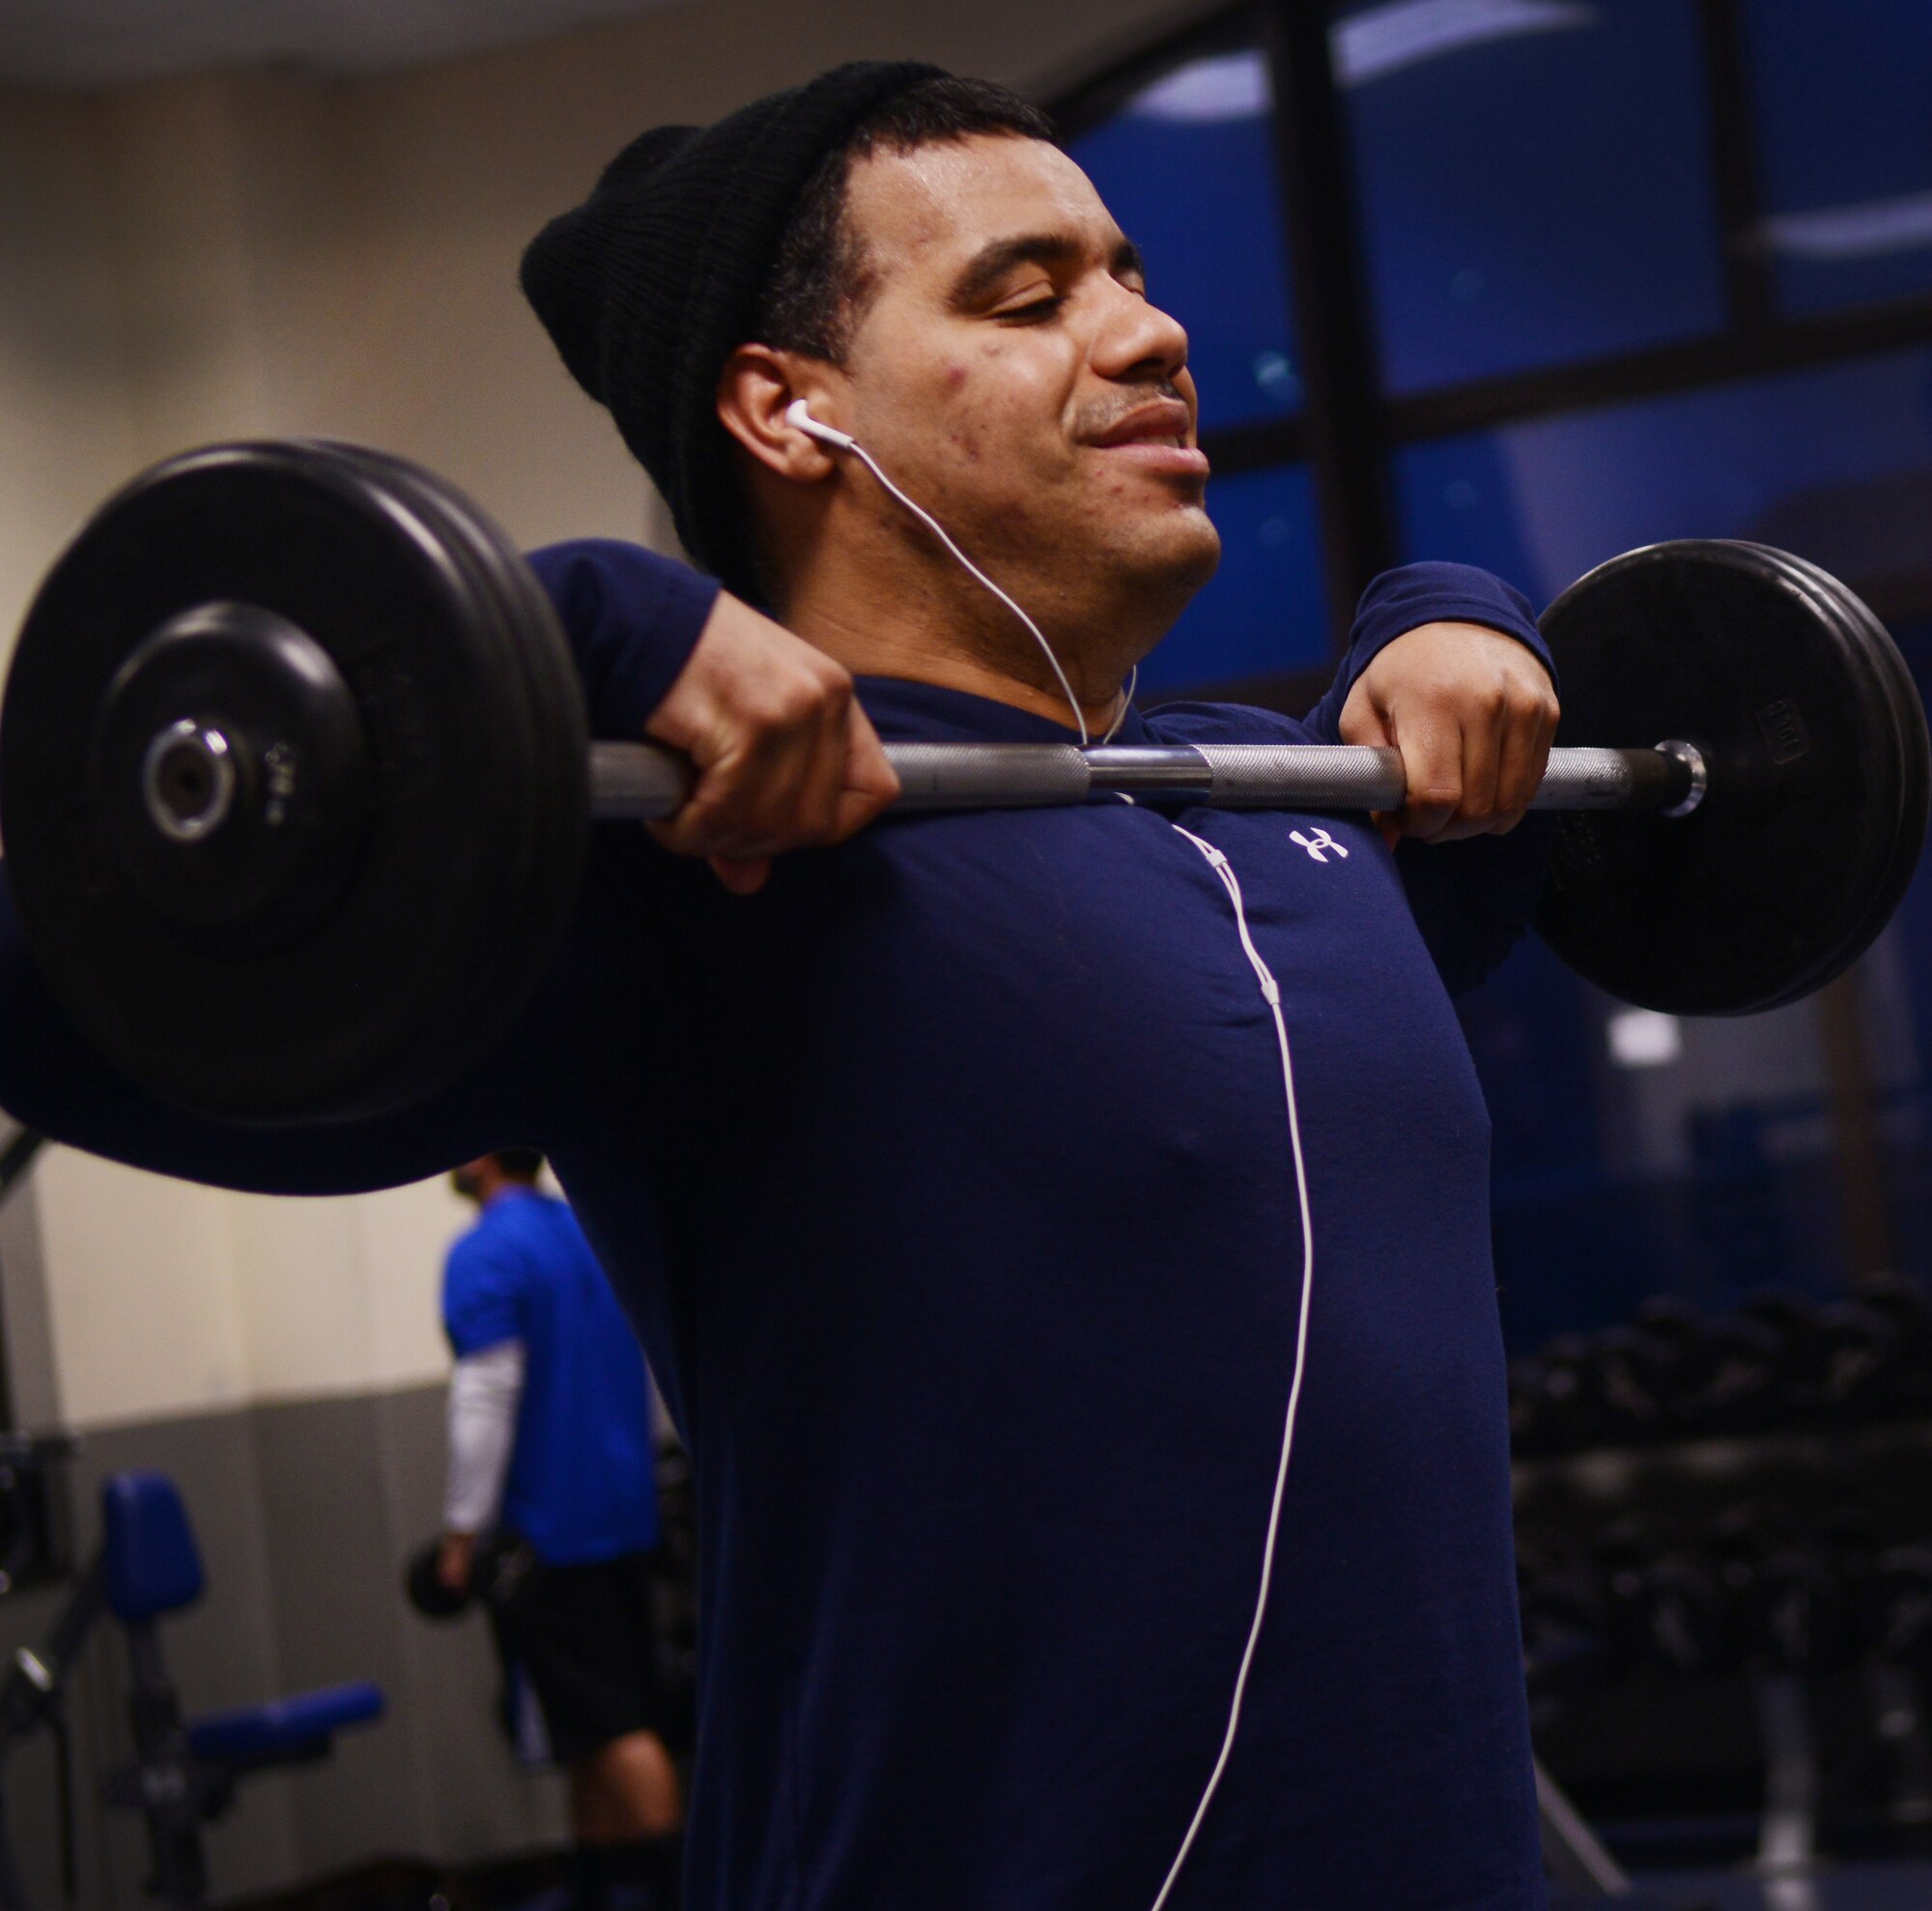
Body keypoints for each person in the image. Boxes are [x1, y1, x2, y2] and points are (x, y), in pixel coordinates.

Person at [0, 64, 1569, 1908]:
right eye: (1028, 292)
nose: (1151, 334)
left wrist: (1468, 610)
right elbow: (69, 968)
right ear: (788, 406)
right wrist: (559, 631)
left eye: (1132, 275)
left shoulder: (1297, 826)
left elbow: (1589, 818)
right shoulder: (705, 877)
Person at [438, 1148, 682, 1911]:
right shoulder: (585, 1232)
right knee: (588, 1742)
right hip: (626, 1521)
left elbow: (487, 1393)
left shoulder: (486, 1250)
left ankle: (691, 1886)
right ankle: (599, 1894)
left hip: (552, 1541)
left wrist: (459, 1533)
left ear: (479, 1159)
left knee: (616, 1736)